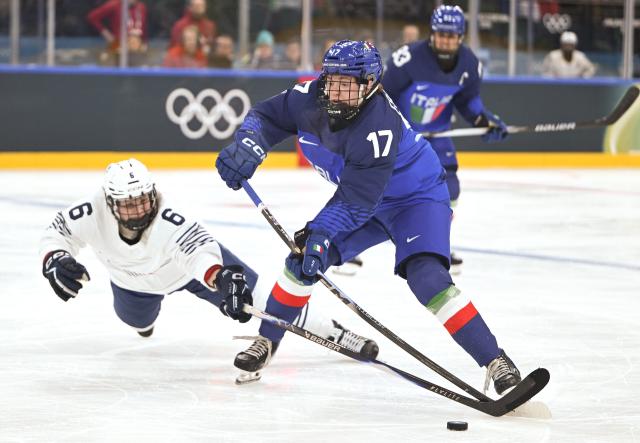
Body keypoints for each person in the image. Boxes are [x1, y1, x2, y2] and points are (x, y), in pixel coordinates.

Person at [215, 40, 522, 395]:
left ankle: (494, 360)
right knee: (300, 263)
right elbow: (266, 117)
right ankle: (266, 341)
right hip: (362, 199)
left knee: (428, 278)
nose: (335, 91)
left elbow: (356, 200)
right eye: (331, 79)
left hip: (415, 200)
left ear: (371, 84)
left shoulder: (379, 125)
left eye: (348, 83)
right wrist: (250, 143)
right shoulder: (308, 97)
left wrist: (321, 232)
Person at [39, 158, 378, 383]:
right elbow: (57, 233)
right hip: (133, 284)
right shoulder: (90, 212)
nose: (139, 208)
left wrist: (220, 276)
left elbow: (199, 253)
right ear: (111, 203)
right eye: (129, 205)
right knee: (137, 322)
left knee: (266, 300)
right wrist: (54, 258)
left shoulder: (170, 219)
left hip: (188, 272)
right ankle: (147, 322)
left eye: (143, 199)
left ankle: (334, 332)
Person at [382, 5, 509, 273]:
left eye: (451, 36)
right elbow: (385, 96)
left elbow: (468, 101)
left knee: (450, 187)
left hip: (438, 136)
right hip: (403, 136)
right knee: (377, 186)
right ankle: (349, 244)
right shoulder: (408, 59)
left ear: (461, 37)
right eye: (441, 34)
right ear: (432, 33)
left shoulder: (470, 64)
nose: (445, 40)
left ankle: (437, 241)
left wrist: (483, 120)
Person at [87, 0, 148, 65]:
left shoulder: (141, 7)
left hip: (137, 46)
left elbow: (143, 28)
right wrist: (108, 35)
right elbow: (92, 17)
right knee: (110, 62)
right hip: (118, 43)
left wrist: (144, 43)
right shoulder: (115, 4)